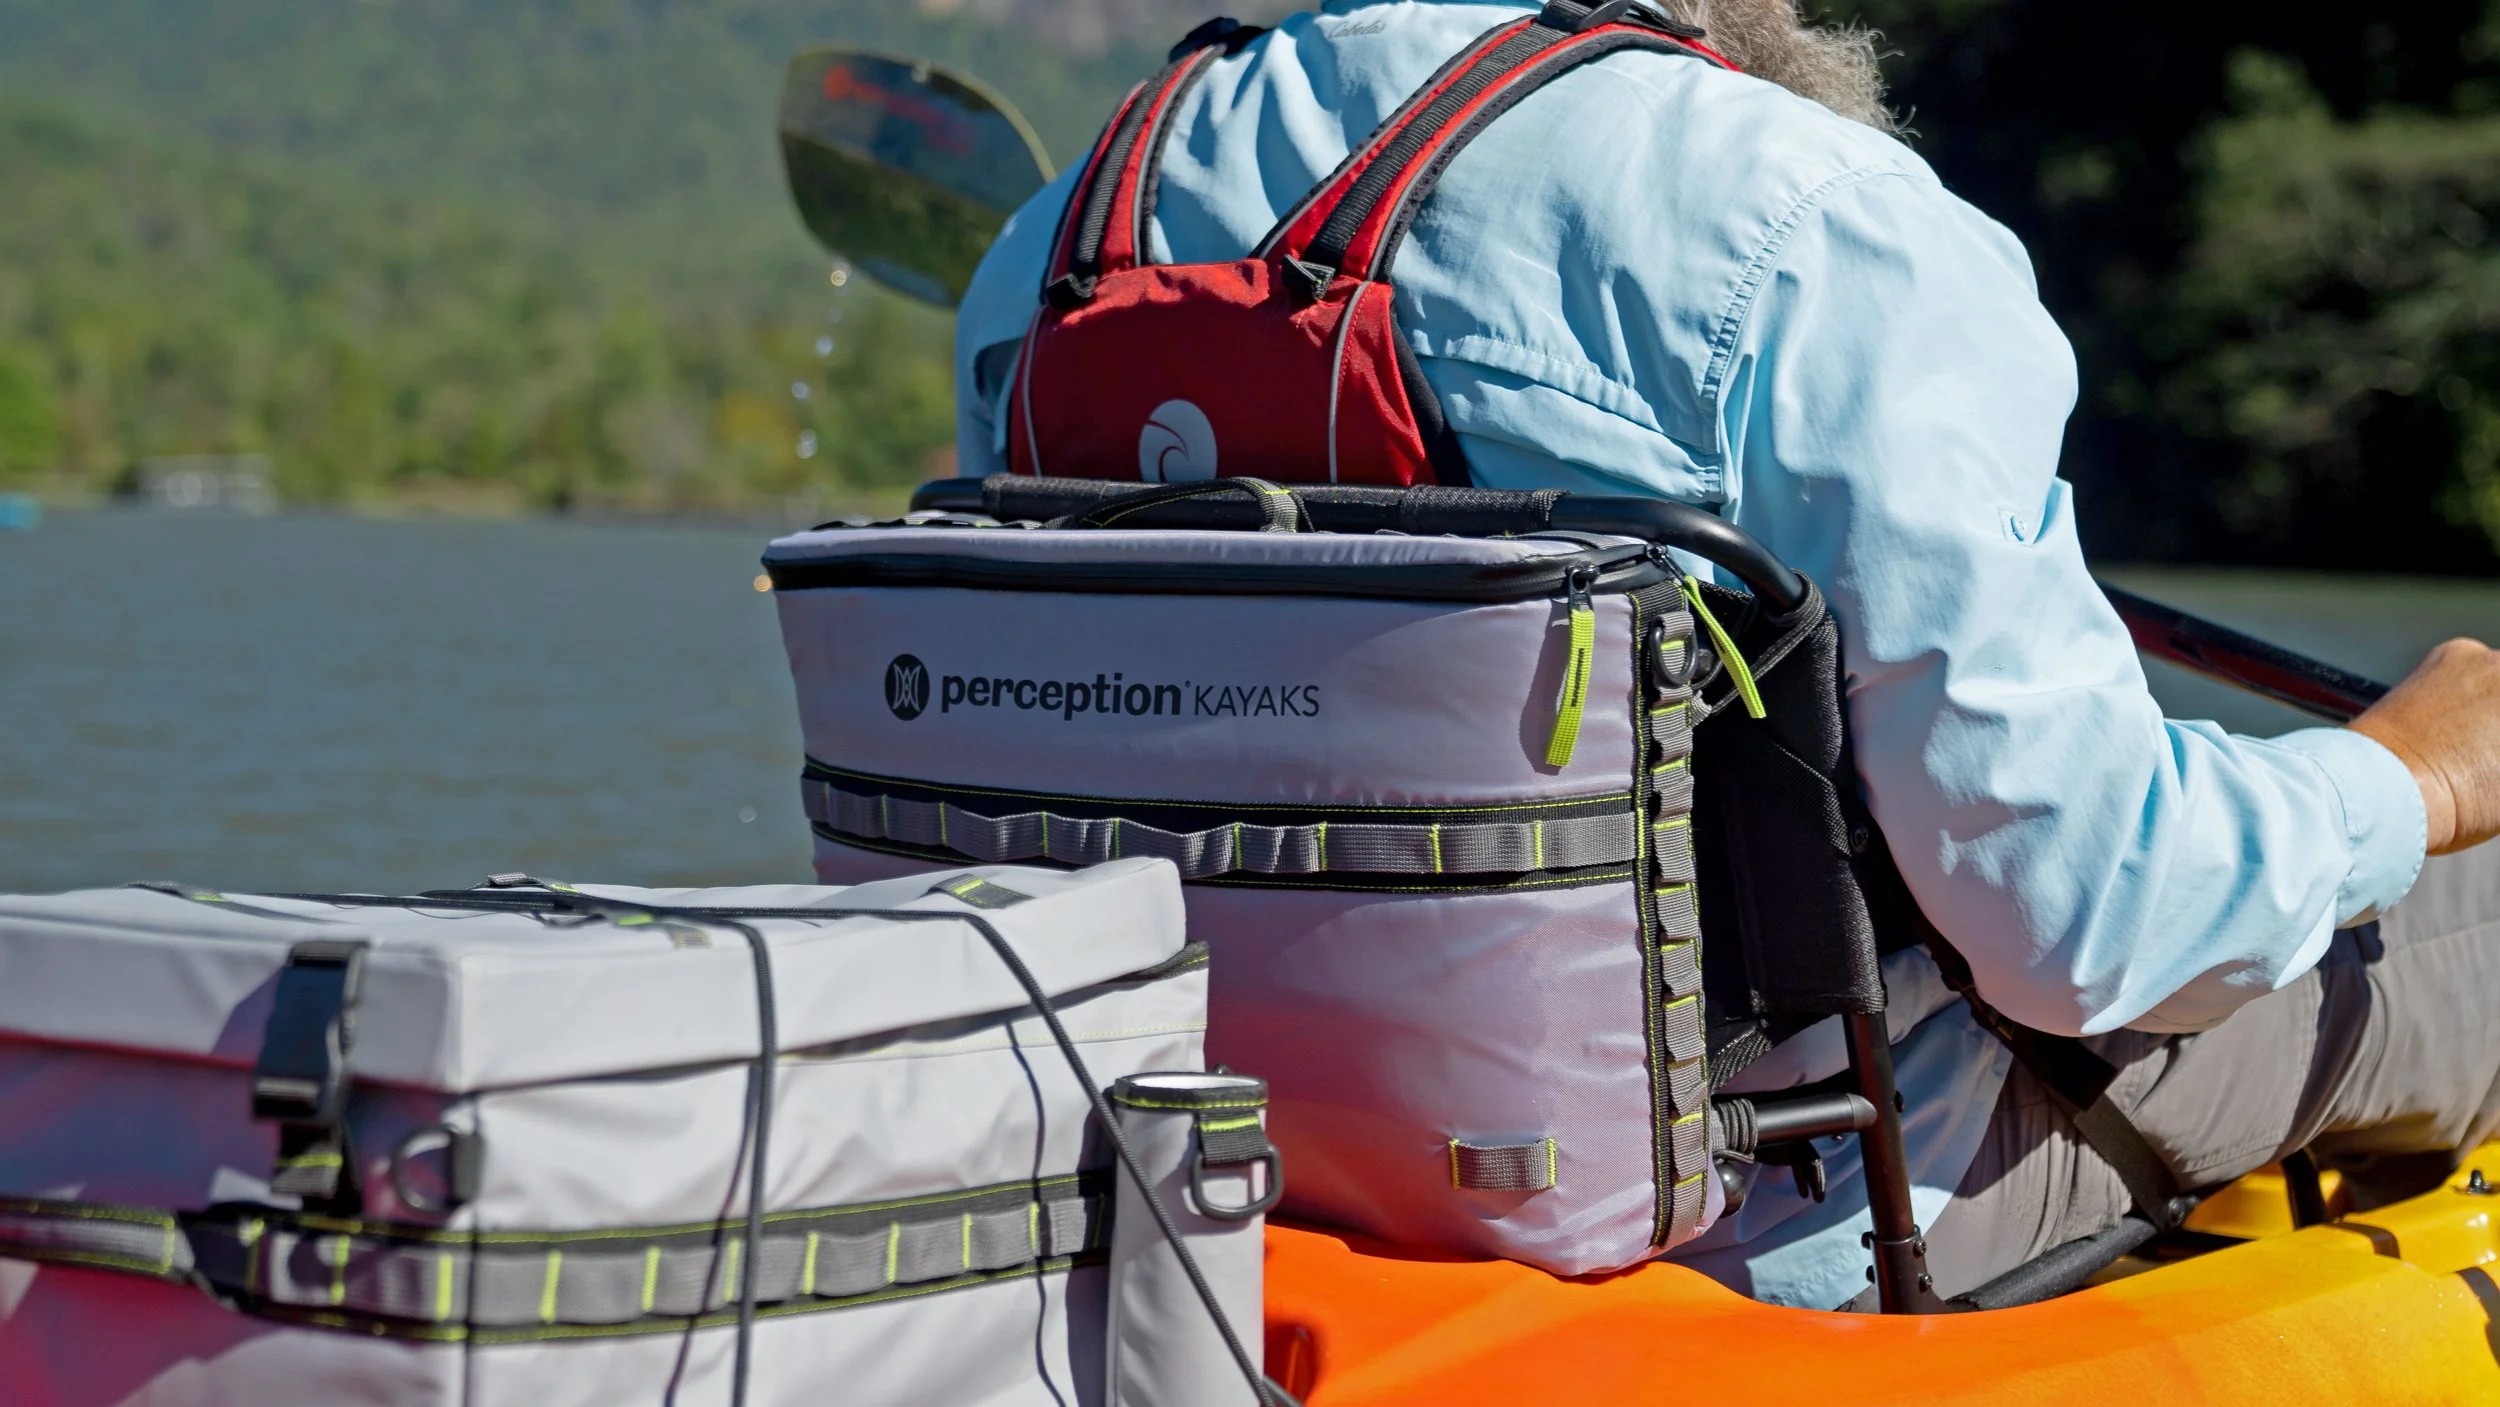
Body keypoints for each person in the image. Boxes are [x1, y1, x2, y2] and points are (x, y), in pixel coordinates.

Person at [951, 0, 2500, 1308]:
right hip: (1782, 1224)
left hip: (1219, 1167)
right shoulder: (1818, 223)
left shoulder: (1058, 242)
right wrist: (2409, 774)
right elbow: (2082, 923)